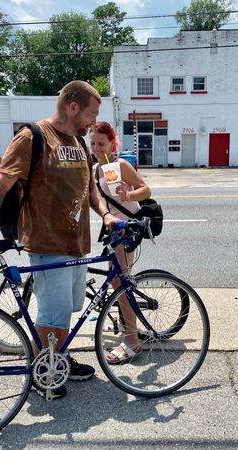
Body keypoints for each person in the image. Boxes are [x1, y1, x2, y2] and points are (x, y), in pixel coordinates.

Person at [0, 81, 119, 399]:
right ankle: (43, 372)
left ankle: (57, 358)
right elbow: (1, 182)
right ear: (72, 107)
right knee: (52, 316)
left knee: (65, 313)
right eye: (91, 113)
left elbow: (90, 189)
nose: (94, 121)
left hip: (77, 244)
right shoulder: (33, 136)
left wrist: (105, 215)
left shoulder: (79, 142)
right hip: (48, 244)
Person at [89, 121, 152, 364]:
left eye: (101, 143)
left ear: (112, 143)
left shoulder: (120, 165)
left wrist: (130, 194)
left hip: (129, 227)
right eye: (93, 143)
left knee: (120, 283)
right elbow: (101, 199)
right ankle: (128, 327)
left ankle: (133, 341)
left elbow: (146, 191)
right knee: (116, 281)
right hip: (114, 227)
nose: (96, 148)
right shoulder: (97, 170)